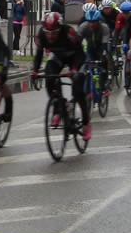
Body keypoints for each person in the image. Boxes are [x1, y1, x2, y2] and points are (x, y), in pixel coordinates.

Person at [31, 11, 91, 140]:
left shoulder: (69, 33)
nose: (51, 36)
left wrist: (74, 69)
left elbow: (80, 53)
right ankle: (59, 106)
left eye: (54, 33)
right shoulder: (41, 34)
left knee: (77, 88)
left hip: (74, 57)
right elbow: (39, 54)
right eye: (48, 33)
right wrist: (34, 70)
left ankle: (86, 122)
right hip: (57, 57)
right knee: (49, 79)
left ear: (60, 29)